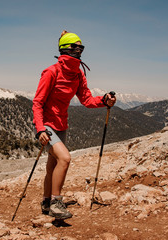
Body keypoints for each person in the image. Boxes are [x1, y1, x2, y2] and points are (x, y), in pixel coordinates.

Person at [32, 30, 116, 220]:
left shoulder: (77, 74)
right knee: (65, 158)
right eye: (74, 47)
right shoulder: (51, 72)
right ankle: (56, 203)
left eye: (81, 47)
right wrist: (40, 130)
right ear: (64, 48)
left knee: (52, 166)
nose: (79, 51)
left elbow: (86, 99)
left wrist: (104, 100)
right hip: (47, 125)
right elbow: (37, 103)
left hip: (61, 125)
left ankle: (46, 202)